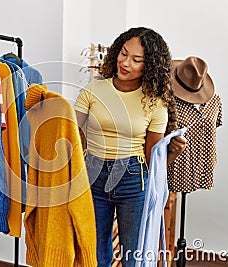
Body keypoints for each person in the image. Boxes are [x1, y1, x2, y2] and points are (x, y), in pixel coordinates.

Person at [74, 27, 187, 267]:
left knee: (133, 255)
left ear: (150, 66)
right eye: (123, 53)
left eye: (136, 60)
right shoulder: (94, 90)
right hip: (93, 174)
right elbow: (71, 134)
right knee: (94, 254)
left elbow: (152, 161)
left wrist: (173, 153)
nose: (125, 63)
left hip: (133, 178)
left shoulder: (155, 103)